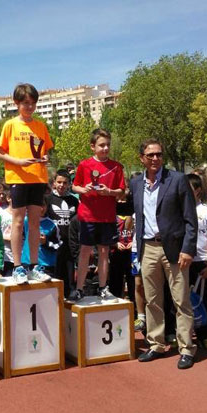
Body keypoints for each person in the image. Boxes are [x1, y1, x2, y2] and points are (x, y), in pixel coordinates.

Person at [131, 138, 198, 369]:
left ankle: (187, 348)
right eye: (150, 155)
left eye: (158, 154)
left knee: (181, 301)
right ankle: (156, 344)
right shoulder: (136, 183)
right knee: (152, 300)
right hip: (147, 247)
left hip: (175, 249)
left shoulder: (178, 180)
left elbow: (191, 218)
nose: (155, 159)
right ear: (142, 158)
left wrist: (188, 249)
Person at [0, 83, 54, 284]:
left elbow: (45, 151)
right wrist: (18, 162)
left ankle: (34, 265)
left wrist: (45, 158)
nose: (30, 107)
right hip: (18, 178)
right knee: (18, 222)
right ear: (17, 103)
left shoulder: (40, 126)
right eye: (26, 103)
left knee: (35, 223)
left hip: (38, 178)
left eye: (33, 103)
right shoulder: (10, 125)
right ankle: (18, 267)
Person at [69, 128, 125, 301]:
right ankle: (79, 288)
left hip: (107, 216)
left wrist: (109, 191)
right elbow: (74, 186)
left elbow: (121, 191)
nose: (105, 148)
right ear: (92, 146)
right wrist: (83, 189)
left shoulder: (116, 167)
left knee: (104, 251)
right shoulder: (85, 165)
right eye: (101, 145)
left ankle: (103, 287)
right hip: (87, 215)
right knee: (85, 251)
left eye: (108, 145)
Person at [186, 174, 207, 353]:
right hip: (183, 262)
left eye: (188, 188)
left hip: (202, 263)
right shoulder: (178, 211)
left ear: (198, 190)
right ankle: (182, 335)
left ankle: (206, 336)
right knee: (181, 301)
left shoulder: (206, 213)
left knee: (203, 301)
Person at [48, 169, 79, 295]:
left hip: (69, 244)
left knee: (69, 277)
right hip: (52, 244)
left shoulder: (74, 201)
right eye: (59, 182)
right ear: (54, 183)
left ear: (69, 184)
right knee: (55, 275)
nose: (61, 185)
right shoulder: (48, 199)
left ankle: (70, 296)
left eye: (65, 183)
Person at [22, 195, 60, 279]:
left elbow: (58, 246)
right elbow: (21, 240)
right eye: (38, 205)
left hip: (46, 266)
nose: (41, 208)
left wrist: (46, 242)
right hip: (26, 263)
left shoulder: (52, 225)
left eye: (43, 205)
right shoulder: (25, 221)